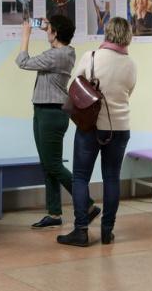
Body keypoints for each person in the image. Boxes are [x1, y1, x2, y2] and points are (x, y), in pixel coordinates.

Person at [57, 17, 137, 247]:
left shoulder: (91, 56)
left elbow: (75, 86)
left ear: (107, 32)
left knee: (81, 177)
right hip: (120, 128)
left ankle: (81, 231)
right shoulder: (131, 64)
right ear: (127, 36)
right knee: (111, 177)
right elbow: (129, 91)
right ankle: (107, 231)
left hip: (90, 127)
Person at [16, 15, 100, 229]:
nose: (47, 30)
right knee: (48, 165)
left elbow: (22, 62)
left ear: (55, 33)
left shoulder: (56, 55)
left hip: (51, 113)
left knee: (52, 164)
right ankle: (54, 213)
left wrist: (25, 36)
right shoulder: (66, 51)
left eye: (49, 29)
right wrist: (49, 28)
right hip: (44, 110)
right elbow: (55, 42)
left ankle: (88, 204)